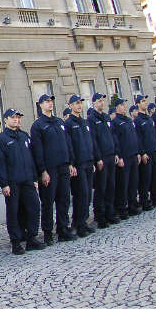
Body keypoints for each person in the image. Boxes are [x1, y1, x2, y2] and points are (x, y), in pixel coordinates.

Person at [0, 109, 43, 254]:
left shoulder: (24, 136)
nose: (16, 120)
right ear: (6, 120)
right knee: (14, 212)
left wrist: (34, 178)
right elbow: (0, 164)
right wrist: (4, 184)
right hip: (12, 182)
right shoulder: (1, 139)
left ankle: (32, 237)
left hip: (27, 179)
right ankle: (16, 241)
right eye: (13, 118)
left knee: (34, 207)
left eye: (18, 117)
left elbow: (31, 158)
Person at [29, 94, 76, 244]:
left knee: (64, 199)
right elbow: (38, 150)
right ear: (40, 105)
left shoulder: (59, 122)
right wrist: (42, 171)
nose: (50, 104)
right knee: (48, 201)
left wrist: (70, 163)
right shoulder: (38, 125)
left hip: (63, 166)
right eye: (47, 101)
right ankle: (48, 232)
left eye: (51, 101)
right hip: (49, 169)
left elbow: (67, 143)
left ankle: (63, 228)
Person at [64, 95, 99, 237]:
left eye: (80, 103)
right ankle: (78, 224)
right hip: (78, 164)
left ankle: (83, 221)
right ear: (71, 106)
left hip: (88, 162)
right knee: (81, 194)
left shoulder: (84, 122)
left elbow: (90, 142)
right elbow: (69, 145)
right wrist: (71, 163)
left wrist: (93, 159)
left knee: (87, 194)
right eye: (76, 103)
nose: (79, 106)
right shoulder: (69, 123)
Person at [87, 93, 118, 228]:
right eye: (99, 101)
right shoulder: (91, 119)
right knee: (101, 187)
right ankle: (100, 215)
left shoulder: (106, 117)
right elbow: (93, 140)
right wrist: (98, 158)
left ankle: (110, 212)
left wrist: (116, 152)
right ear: (94, 103)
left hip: (111, 155)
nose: (102, 103)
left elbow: (112, 135)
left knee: (111, 186)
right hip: (102, 158)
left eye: (103, 101)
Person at [112, 98, 141, 219]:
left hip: (133, 154)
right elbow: (116, 141)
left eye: (125, 105)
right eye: (122, 105)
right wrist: (119, 156)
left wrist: (138, 152)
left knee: (133, 182)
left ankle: (133, 205)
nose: (124, 107)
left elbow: (135, 137)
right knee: (124, 184)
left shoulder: (128, 120)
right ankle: (122, 208)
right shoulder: (116, 122)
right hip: (125, 157)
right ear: (117, 107)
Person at [134, 95, 156, 212]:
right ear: (138, 104)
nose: (145, 103)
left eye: (145, 101)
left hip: (154, 150)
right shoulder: (137, 120)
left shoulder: (149, 118)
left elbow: (154, 134)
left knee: (155, 175)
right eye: (143, 101)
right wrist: (142, 152)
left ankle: (155, 197)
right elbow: (138, 138)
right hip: (146, 153)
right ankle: (144, 201)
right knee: (146, 178)